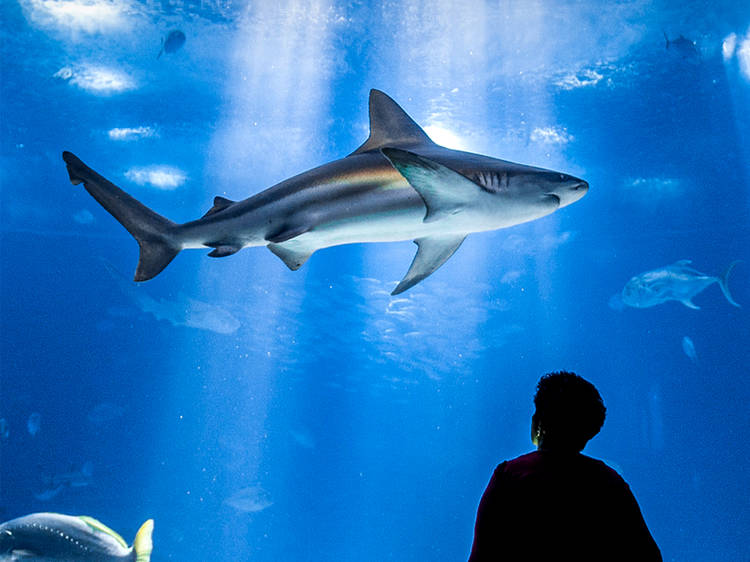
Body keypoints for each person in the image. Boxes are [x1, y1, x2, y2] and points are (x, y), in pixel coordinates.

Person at [468, 371, 662, 561]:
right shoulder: (610, 483)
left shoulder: (509, 475)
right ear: (589, 432)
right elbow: (648, 555)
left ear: (539, 421)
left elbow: (481, 556)